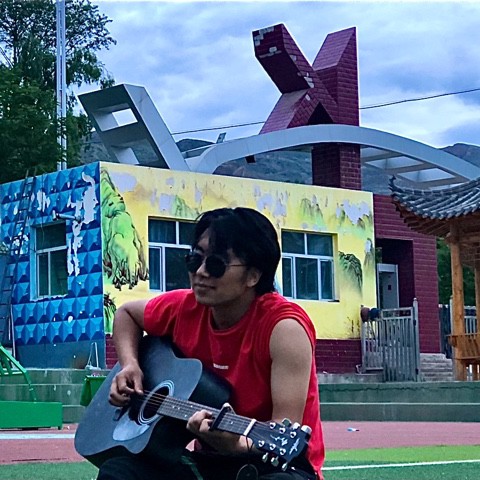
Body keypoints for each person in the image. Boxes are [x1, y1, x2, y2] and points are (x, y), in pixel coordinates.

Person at [97, 207, 325, 480]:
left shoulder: (284, 328)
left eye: (217, 264)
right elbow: (126, 314)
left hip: (278, 464)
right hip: (209, 463)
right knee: (119, 472)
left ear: (253, 275)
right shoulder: (184, 307)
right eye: (195, 259)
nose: (201, 272)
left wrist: (237, 445)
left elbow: (284, 430)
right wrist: (130, 365)